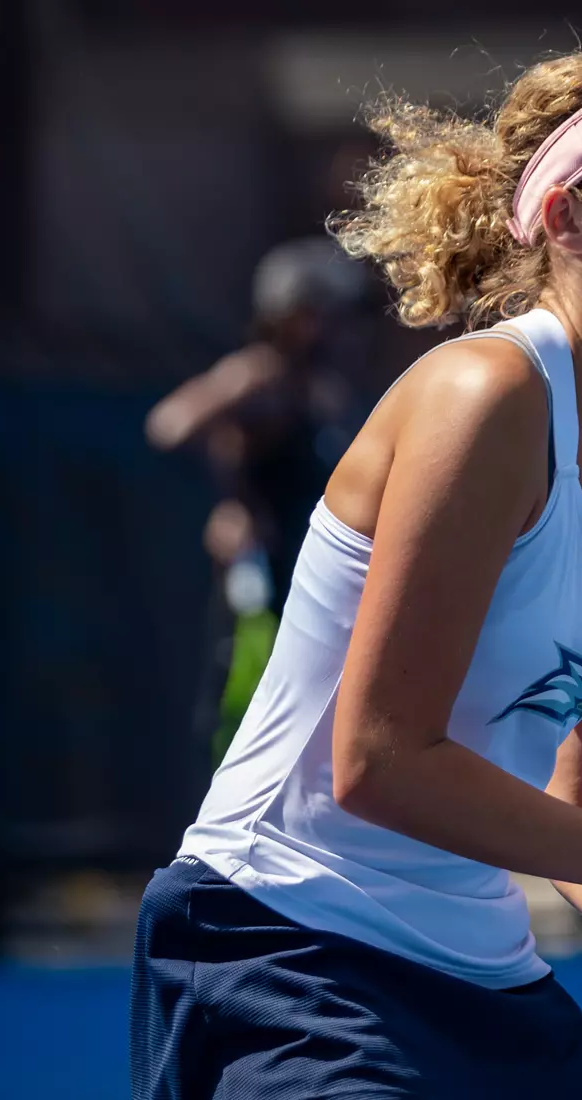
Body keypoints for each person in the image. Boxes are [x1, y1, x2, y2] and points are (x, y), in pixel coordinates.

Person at [130, 44, 582, 1099]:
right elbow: (378, 759)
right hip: (280, 933)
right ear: (565, 217)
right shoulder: (483, 396)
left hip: (473, 967)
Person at [145, 240, 384, 761]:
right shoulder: (258, 375)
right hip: (260, 590)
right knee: (248, 717)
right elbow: (172, 426)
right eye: (325, 315)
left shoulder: (324, 390)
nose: (341, 330)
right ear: (293, 316)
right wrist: (233, 501)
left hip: (312, 585)